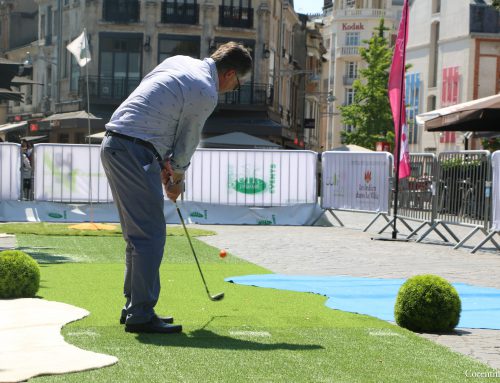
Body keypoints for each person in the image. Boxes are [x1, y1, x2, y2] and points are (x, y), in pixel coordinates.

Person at [100, 42, 252, 334]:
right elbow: (188, 141)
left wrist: (160, 158)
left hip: (117, 144)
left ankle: (134, 307)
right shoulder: (205, 90)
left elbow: (155, 106)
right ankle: (141, 314)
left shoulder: (180, 61)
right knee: (151, 236)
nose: (234, 89)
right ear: (230, 73)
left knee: (138, 236)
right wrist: (176, 178)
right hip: (134, 149)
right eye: (237, 84)